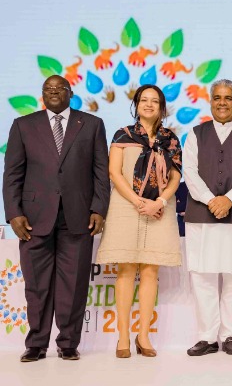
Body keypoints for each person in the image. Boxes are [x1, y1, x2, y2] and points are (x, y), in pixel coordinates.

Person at [3, 74, 110, 362]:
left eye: (59, 88)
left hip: (79, 216)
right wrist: (13, 213)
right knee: (36, 285)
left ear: (70, 93)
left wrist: (99, 209)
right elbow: (12, 174)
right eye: (47, 88)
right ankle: (36, 344)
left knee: (74, 284)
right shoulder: (23, 125)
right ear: (42, 94)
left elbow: (101, 172)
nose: (53, 92)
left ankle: (68, 343)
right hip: (33, 218)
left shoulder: (92, 124)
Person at [96, 84, 183, 358]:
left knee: (150, 272)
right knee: (125, 270)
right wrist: (138, 202)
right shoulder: (123, 134)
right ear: (136, 104)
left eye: (154, 101)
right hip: (126, 206)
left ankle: (143, 336)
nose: (149, 104)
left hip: (159, 209)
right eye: (144, 100)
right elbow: (114, 172)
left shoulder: (171, 139)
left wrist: (160, 202)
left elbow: (176, 177)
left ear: (161, 107)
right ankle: (123, 337)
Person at [184, 79, 232, 357]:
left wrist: (229, 199)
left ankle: (230, 335)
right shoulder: (195, 133)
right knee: (202, 276)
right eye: (217, 97)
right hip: (201, 214)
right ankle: (207, 337)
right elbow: (189, 171)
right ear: (210, 101)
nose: (222, 103)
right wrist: (211, 200)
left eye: (228, 98)